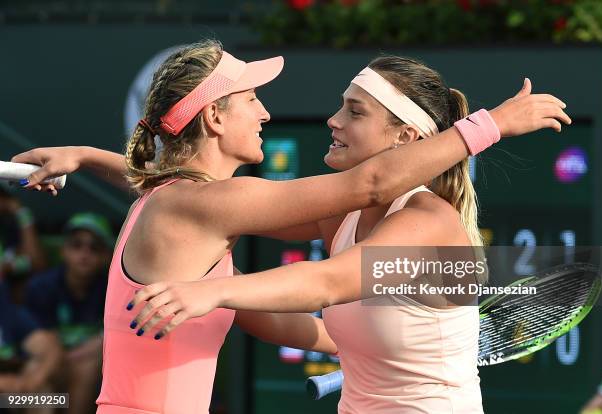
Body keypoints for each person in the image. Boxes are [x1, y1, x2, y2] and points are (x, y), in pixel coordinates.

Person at [13, 40, 569, 414]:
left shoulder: (425, 223)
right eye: (253, 99)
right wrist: (490, 126)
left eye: (354, 111)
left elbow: (317, 289)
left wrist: (217, 294)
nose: (331, 120)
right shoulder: (215, 205)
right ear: (213, 118)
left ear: (405, 138)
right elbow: (196, 203)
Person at [25, 212, 113, 414]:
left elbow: (111, 342)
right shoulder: (41, 286)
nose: (84, 253)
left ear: (107, 255)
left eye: (95, 247)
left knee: (89, 368)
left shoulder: (114, 290)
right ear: (63, 250)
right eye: (76, 244)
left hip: (89, 377)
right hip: (49, 368)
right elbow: (42, 346)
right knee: (38, 382)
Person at [0, 280, 61, 414]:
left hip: (7, 397)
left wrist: (33, 381)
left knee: (44, 397)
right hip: (5, 386)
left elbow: (51, 349)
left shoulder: (7, 311)